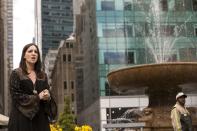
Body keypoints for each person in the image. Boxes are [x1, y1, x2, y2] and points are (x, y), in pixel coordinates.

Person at [8, 43, 57, 131]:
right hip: (21, 120)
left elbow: (49, 98)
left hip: (40, 121)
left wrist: (48, 97)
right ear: (24, 56)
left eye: (36, 52)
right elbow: (16, 96)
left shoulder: (43, 75)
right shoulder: (16, 73)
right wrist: (38, 97)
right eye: (30, 51)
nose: (33, 53)